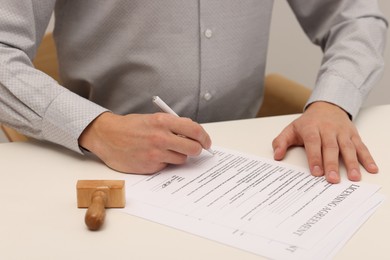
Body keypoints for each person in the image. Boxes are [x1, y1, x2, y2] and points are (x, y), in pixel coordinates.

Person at [0, 1, 387, 184]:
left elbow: (356, 13)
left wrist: (332, 101)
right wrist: (96, 128)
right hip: (98, 164)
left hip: (247, 169)